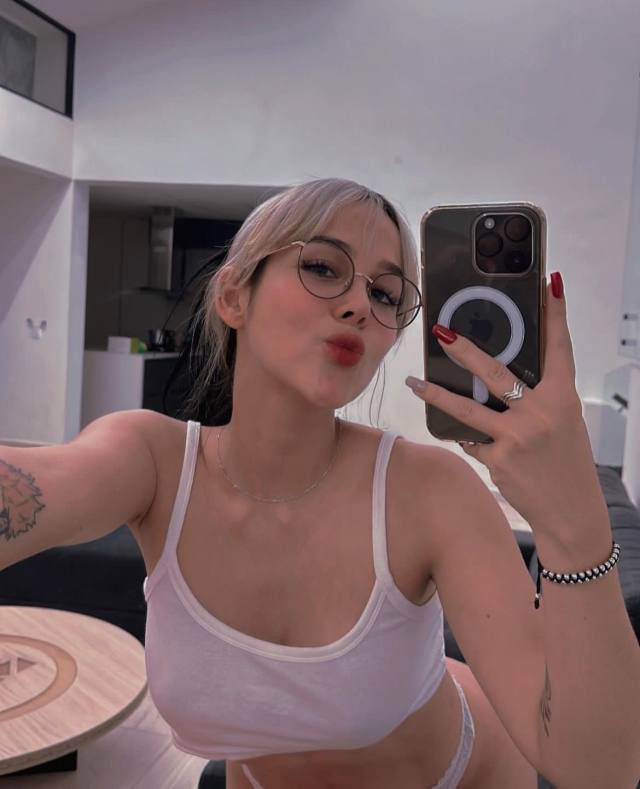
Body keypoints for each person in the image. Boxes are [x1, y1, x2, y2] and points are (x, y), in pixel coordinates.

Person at [2, 178, 638, 789]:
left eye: (386, 294)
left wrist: (573, 514)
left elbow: (602, 772)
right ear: (234, 297)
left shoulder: (429, 492)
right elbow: (42, 486)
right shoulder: (152, 461)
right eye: (324, 268)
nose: (360, 305)